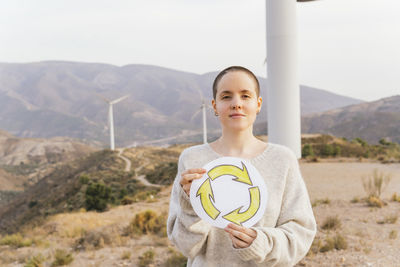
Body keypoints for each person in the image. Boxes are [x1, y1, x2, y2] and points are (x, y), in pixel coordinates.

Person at [167, 66, 316, 267]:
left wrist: (260, 242)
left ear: (258, 103)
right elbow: (185, 246)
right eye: (226, 97)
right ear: (214, 105)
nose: (236, 104)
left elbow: (301, 233)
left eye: (245, 96)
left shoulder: (282, 160)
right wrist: (191, 206)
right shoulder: (192, 159)